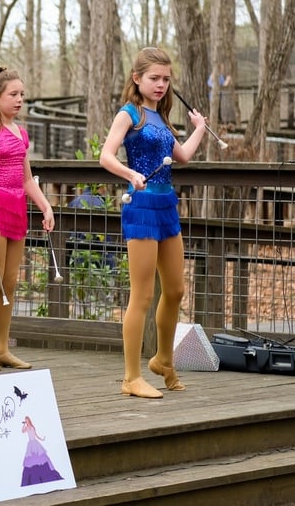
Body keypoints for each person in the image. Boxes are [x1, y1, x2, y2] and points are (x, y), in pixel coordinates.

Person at [99, 47, 206, 398]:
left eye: (165, 79)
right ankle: (131, 376)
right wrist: (131, 173)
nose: (161, 84)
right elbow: (105, 155)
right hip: (141, 207)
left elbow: (184, 156)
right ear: (137, 78)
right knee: (142, 295)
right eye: (154, 78)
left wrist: (200, 129)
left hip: (167, 206)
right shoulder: (130, 114)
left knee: (175, 290)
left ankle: (162, 358)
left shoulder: (161, 118)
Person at [0, 66, 54, 371]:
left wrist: (45, 206)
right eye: (13, 95)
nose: (19, 100)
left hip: (16, 208)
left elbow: (27, 178)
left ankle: (2, 348)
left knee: (11, 281)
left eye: (22, 95)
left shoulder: (20, 132)